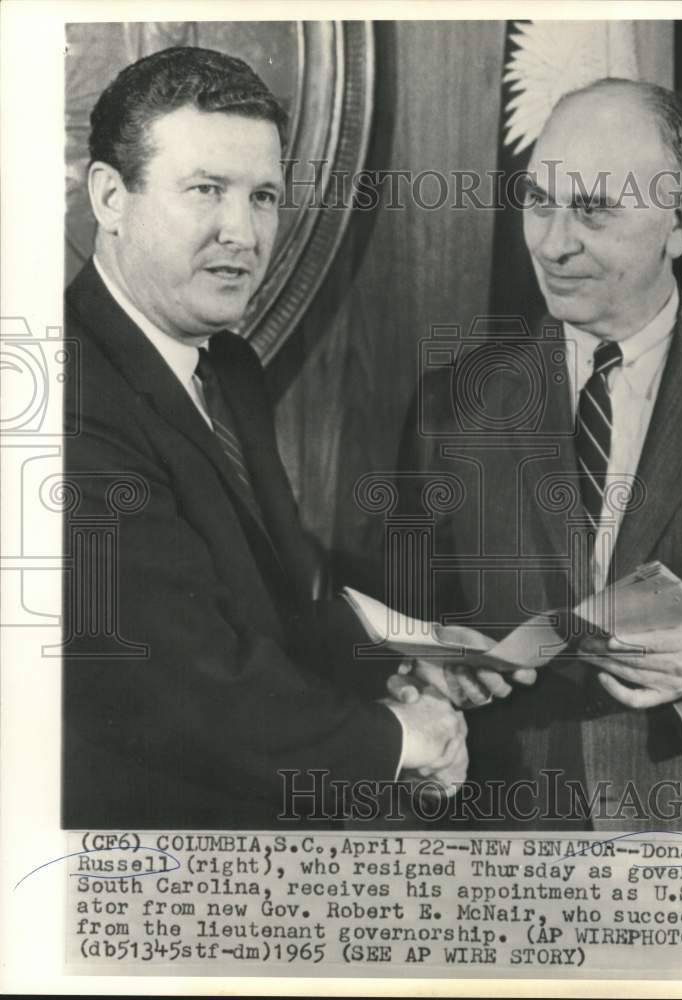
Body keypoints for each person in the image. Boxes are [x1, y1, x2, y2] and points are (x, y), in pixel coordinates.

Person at [62, 45, 468, 829]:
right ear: (111, 196)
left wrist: (398, 659)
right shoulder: (64, 390)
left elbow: (266, 600)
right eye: (207, 191)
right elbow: (177, 685)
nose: (242, 233)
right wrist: (397, 739)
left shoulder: (228, 365)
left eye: (263, 197)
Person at [398, 78, 682, 831]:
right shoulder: (453, 403)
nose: (553, 242)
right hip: (509, 839)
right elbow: (393, 624)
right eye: (540, 203)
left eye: (594, 210)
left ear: (681, 219)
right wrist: (428, 663)